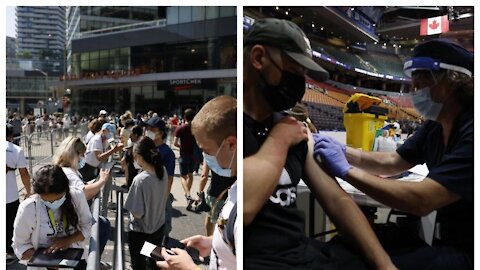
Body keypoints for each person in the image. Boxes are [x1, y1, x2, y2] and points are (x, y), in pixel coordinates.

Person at [243, 18, 395, 269]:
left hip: (301, 254)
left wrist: (384, 265)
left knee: (407, 246)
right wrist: (279, 140)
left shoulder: (292, 129)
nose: (299, 83)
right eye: (294, 71)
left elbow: (338, 201)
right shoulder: (236, 127)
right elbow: (245, 206)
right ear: (258, 58)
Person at [314, 38, 473, 269]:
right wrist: (343, 152)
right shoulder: (435, 126)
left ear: (454, 82)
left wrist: (347, 171)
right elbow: (393, 161)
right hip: (443, 239)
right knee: (345, 245)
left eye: (423, 84)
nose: (415, 93)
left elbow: (422, 200)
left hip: (468, 252)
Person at [157, 95, 237, 270]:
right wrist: (213, 243)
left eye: (206, 150)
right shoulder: (236, 190)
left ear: (231, 144)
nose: (204, 157)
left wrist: (189, 268)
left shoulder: (247, 204)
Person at [12, 165, 92, 270]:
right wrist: (45, 260)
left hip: (75, 261)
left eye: (58, 199)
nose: (53, 203)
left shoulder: (76, 196)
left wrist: (68, 241)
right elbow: (20, 243)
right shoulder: (29, 207)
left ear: (66, 189)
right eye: (46, 200)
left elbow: (88, 226)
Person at [52, 136, 112, 257]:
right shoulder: (68, 172)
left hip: (72, 214)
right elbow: (84, 192)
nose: (83, 158)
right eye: (82, 155)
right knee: (103, 225)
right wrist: (102, 181)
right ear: (74, 154)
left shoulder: (70, 170)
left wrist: (94, 183)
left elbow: (81, 187)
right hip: (71, 219)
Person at [125, 136, 169, 270]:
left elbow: (137, 213)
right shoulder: (162, 171)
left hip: (140, 233)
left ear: (139, 157)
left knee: (139, 265)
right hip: (157, 228)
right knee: (153, 262)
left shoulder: (140, 180)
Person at [143, 116, 176, 237]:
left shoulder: (167, 153)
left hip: (159, 196)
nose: (148, 131)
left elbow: (170, 178)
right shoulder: (146, 148)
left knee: (161, 229)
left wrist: (163, 199)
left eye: (152, 128)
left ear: (161, 132)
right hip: (146, 194)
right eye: (147, 128)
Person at [6, 124, 32, 265]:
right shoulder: (16, 150)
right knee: (10, 224)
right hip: (10, 195)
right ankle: (9, 254)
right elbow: (24, 173)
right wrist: (28, 191)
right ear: (11, 136)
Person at [197, 162, 236, 236]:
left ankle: (209, 237)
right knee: (225, 221)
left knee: (210, 218)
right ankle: (222, 240)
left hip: (214, 192)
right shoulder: (235, 155)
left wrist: (200, 194)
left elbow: (204, 176)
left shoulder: (210, 154)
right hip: (230, 194)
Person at [173, 108, 197, 208]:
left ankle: (188, 195)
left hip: (184, 154)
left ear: (184, 117)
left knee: (183, 176)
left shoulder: (180, 128)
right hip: (194, 155)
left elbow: (175, 143)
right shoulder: (196, 128)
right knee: (191, 175)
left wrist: (181, 147)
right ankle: (188, 196)